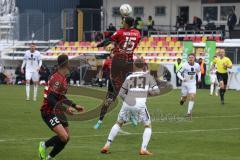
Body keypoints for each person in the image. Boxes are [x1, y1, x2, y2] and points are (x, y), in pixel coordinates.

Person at [100, 59, 160, 155]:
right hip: (140, 104)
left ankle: (106, 145)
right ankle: (143, 149)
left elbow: (121, 93)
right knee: (148, 126)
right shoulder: (148, 77)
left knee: (118, 123)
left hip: (127, 103)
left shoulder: (129, 77)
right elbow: (157, 91)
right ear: (144, 66)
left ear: (134, 66)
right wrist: (146, 92)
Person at [94, 16, 141, 129]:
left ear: (126, 24)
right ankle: (133, 116)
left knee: (111, 96)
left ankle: (100, 121)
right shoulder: (137, 33)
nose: (121, 22)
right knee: (127, 93)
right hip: (128, 65)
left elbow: (109, 40)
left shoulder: (120, 32)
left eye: (123, 21)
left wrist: (100, 44)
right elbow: (134, 41)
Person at [38, 54, 84, 160]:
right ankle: (44, 145)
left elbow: (60, 96)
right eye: (69, 61)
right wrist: (66, 109)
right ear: (66, 63)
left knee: (66, 137)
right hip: (48, 111)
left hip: (57, 110)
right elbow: (50, 99)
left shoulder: (62, 77)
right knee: (63, 136)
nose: (70, 64)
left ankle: (49, 157)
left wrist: (74, 105)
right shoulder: (57, 79)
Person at [177, 54, 201, 119]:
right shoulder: (184, 65)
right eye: (189, 57)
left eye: (192, 57)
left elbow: (199, 72)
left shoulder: (197, 65)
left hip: (192, 84)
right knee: (184, 98)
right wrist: (182, 78)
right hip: (185, 84)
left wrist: (199, 78)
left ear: (194, 58)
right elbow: (178, 73)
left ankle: (189, 112)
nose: (190, 58)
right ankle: (182, 100)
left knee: (192, 96)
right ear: (188, 59)